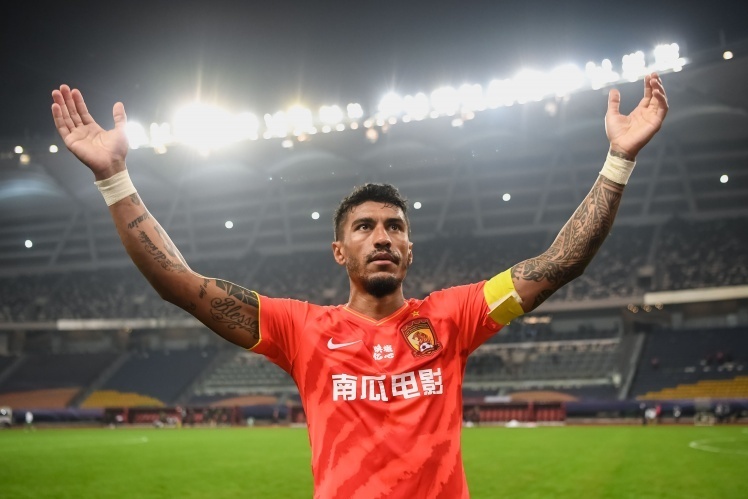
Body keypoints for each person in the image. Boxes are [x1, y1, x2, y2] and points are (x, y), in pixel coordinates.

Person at [51, 72, 668, 498]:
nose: (382, 237)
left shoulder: (453, 317)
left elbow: (560, 262)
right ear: (339, 250)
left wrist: (619, 160)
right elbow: (180, 284)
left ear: (409, 248)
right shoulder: (300, 329)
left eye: (395, 227)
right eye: (365, 227)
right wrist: (114, 178)